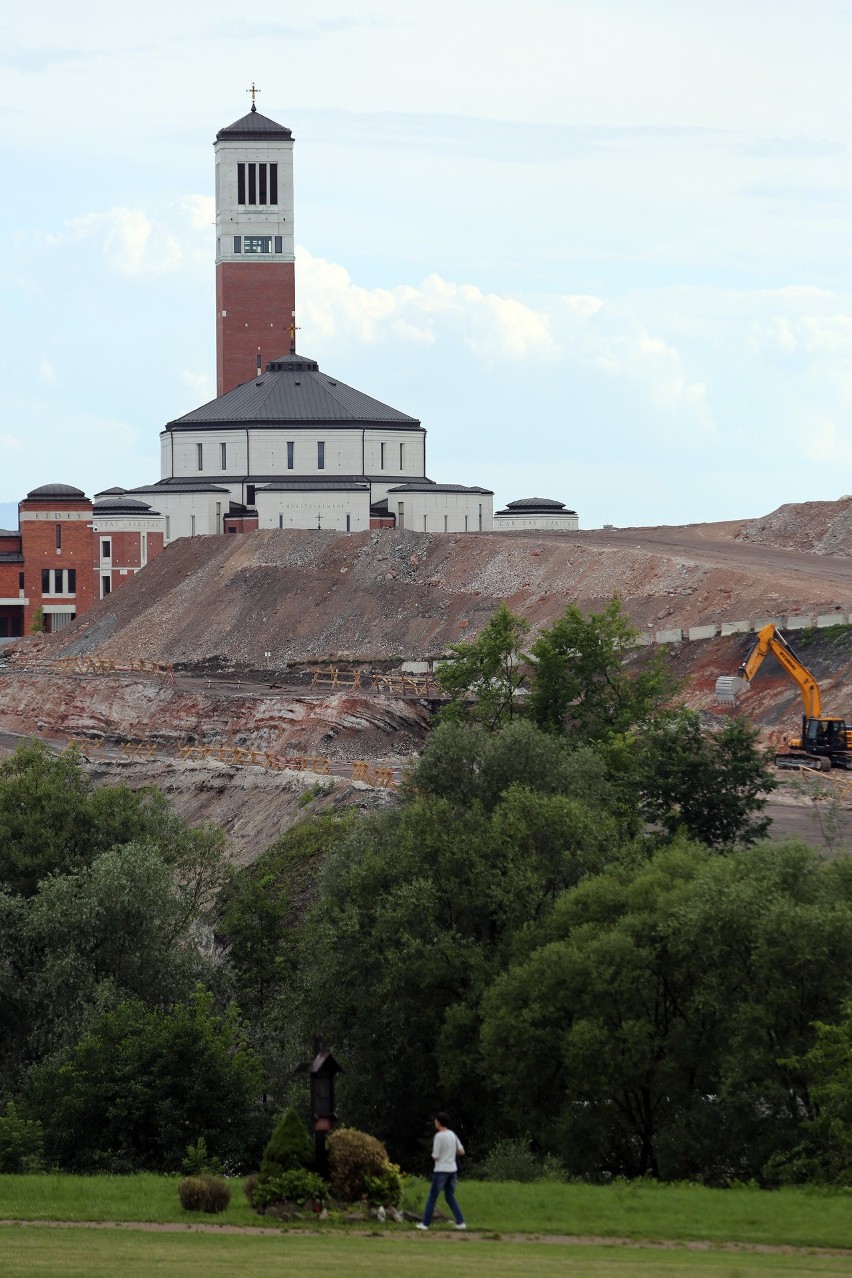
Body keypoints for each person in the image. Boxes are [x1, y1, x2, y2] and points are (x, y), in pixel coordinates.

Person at [416, 1111, 466, 1230]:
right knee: (450, 1196)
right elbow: (461, 1151)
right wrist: (450, 1152)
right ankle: (460, 1222)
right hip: (452, 1170)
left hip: (441, 1170)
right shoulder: (452, 1135)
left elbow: (435, 1156)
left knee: (432, 1197)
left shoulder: (438, 1136)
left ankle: (425, 1224)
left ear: (438, 1123)